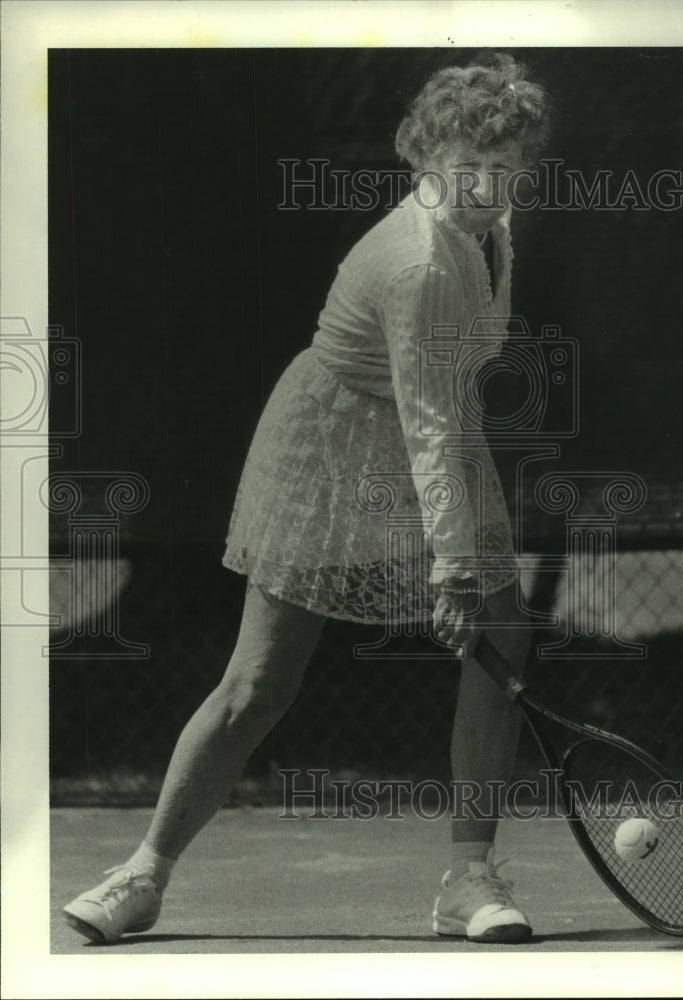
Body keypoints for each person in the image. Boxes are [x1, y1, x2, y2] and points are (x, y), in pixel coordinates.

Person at [63, 52, 551, 945]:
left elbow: (443, 409)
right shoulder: (417, 265)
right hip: (332, 445)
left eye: (512, 166)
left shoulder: (493, 223)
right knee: (259, 686)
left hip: (436, 426)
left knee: (502, 635)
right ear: (428, 160)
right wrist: (451, 565)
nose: (493, 184)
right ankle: (141, 875)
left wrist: (460, 568)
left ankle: (468, 877)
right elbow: (427, 424)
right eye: (474, 168)